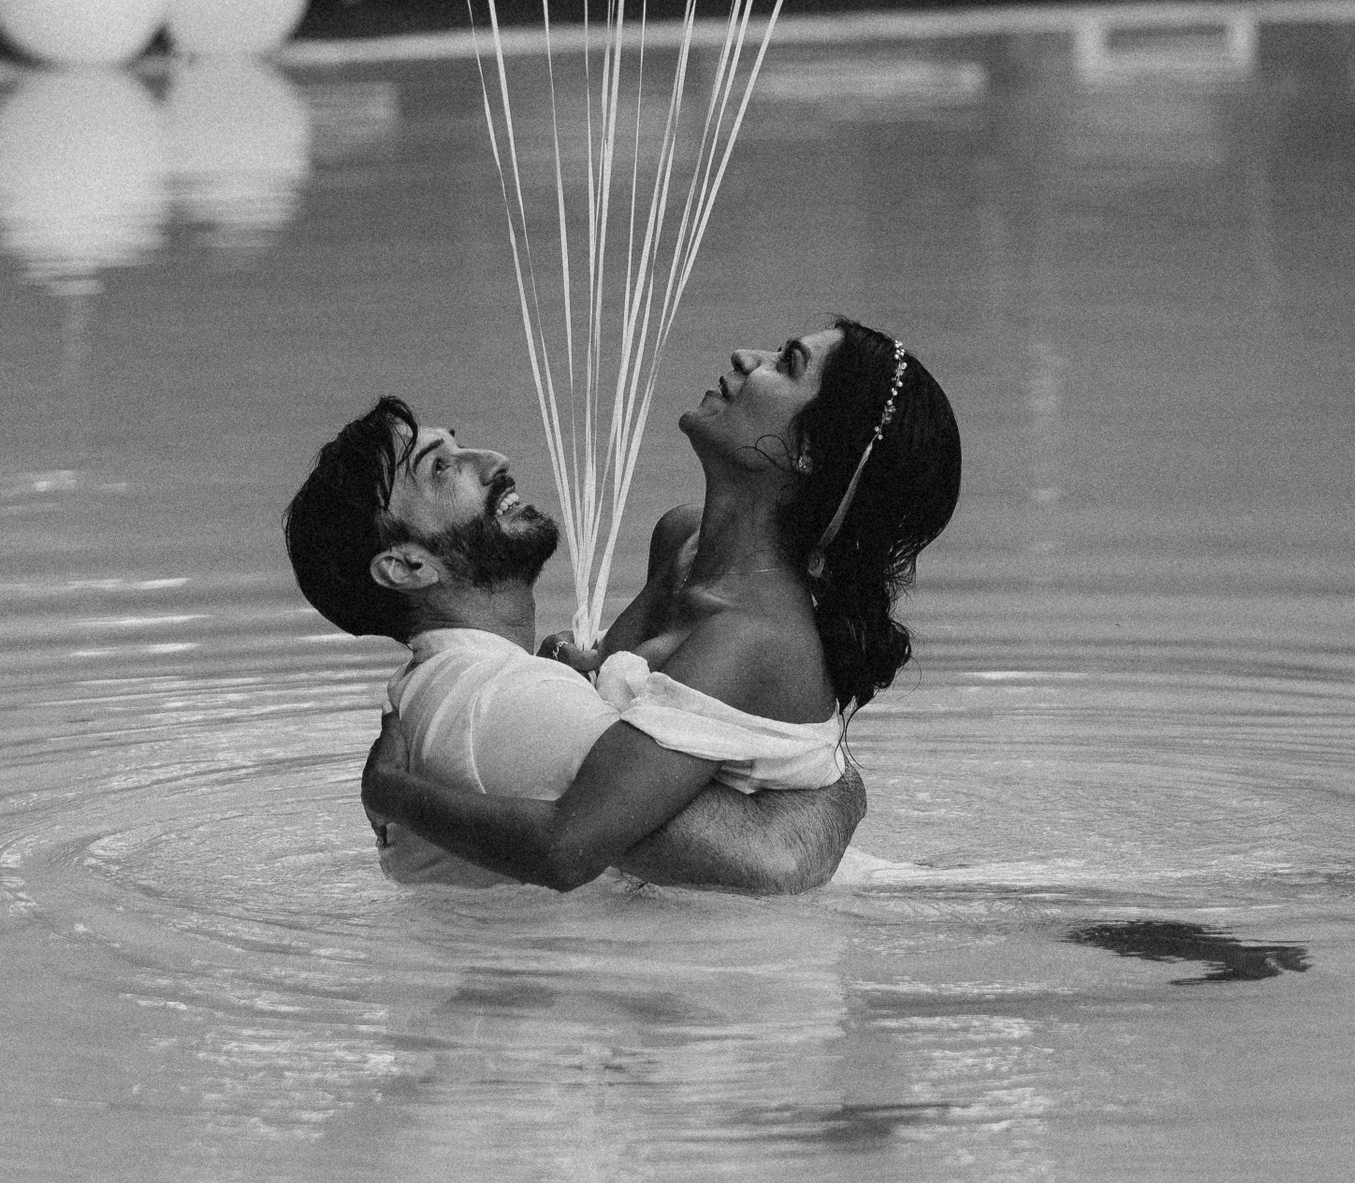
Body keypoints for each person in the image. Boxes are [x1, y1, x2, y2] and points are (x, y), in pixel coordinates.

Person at [349, 317, 961, 891]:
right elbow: (616, 711)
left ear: (809, 453)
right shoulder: (683, 539)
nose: (748, 358)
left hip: (766, 943)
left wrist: (393, 791)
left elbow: (566, 848)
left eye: (788, 363)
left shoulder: (749, 636)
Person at [283, 392, 868, 893]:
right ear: (408, 566)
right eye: (441, 468)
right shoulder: (502, 700)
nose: (492, 460)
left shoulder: (478, 691)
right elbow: (775, 861)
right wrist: (839, 776)